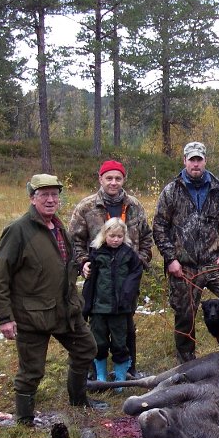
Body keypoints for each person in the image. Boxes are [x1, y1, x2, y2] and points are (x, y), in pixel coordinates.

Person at [0, 174, 104, 426]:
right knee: (32, 371)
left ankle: (78, 399)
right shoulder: (18, 231)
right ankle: (24, 418)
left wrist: (79, 267)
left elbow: (65, 263)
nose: (51, 200)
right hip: (32, 315)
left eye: (54, 194)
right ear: (32, 198)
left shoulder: (59, 227)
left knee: (86, 349)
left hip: (65, 310)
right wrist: (5, 318)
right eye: (44, 195)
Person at [153, 141, 219, 362]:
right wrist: (171, 259)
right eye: (192, 160)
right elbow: (159, 227)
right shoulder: (171, 191)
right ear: (185, 161)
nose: (195, 164)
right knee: (184, 313)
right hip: (184, 266)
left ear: (205, 161)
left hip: (213, 263)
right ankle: (187, 361)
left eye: (199, 159)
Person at [68, 159, 153, 378]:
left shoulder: (134, 205)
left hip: (127, 278)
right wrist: (83, 263)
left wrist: (140, 261)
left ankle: (127, 368)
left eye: (118, 178)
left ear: (123, 179)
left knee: (125, 323)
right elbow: (75, 241)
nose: (113, 183)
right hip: (99, 278)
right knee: (96, 324)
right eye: (109, 178)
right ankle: (94, 370)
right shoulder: (86, 207)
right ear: (101, 179)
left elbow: (146, 236)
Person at [81, 218, 144, 384]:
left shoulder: (129, 255)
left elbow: (135, 275)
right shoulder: (96, 254)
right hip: (98, 308)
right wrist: (86, 307)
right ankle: (100, 375)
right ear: (104, 235)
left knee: (120, 343)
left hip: (120, 309)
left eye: (119, 236)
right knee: (99, 342)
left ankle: (120, 377)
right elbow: (90, 282)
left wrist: (127, 297)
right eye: (112, 236)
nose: (116, 239)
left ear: (124, 236)